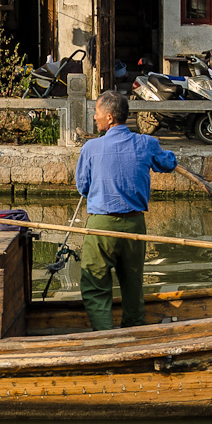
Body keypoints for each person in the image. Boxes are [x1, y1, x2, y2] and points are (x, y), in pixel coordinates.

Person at [74, 91, 177, 330]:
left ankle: (105, 335)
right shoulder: (146, 144)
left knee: (95, 285)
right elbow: (168, 163)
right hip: (134, 226)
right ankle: (133, 331)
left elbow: (83, 187)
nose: (95, 118)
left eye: (97, 113)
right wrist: (166, 156)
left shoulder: (91, 148)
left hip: (101, 227)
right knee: (133, 285)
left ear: (109, 117)